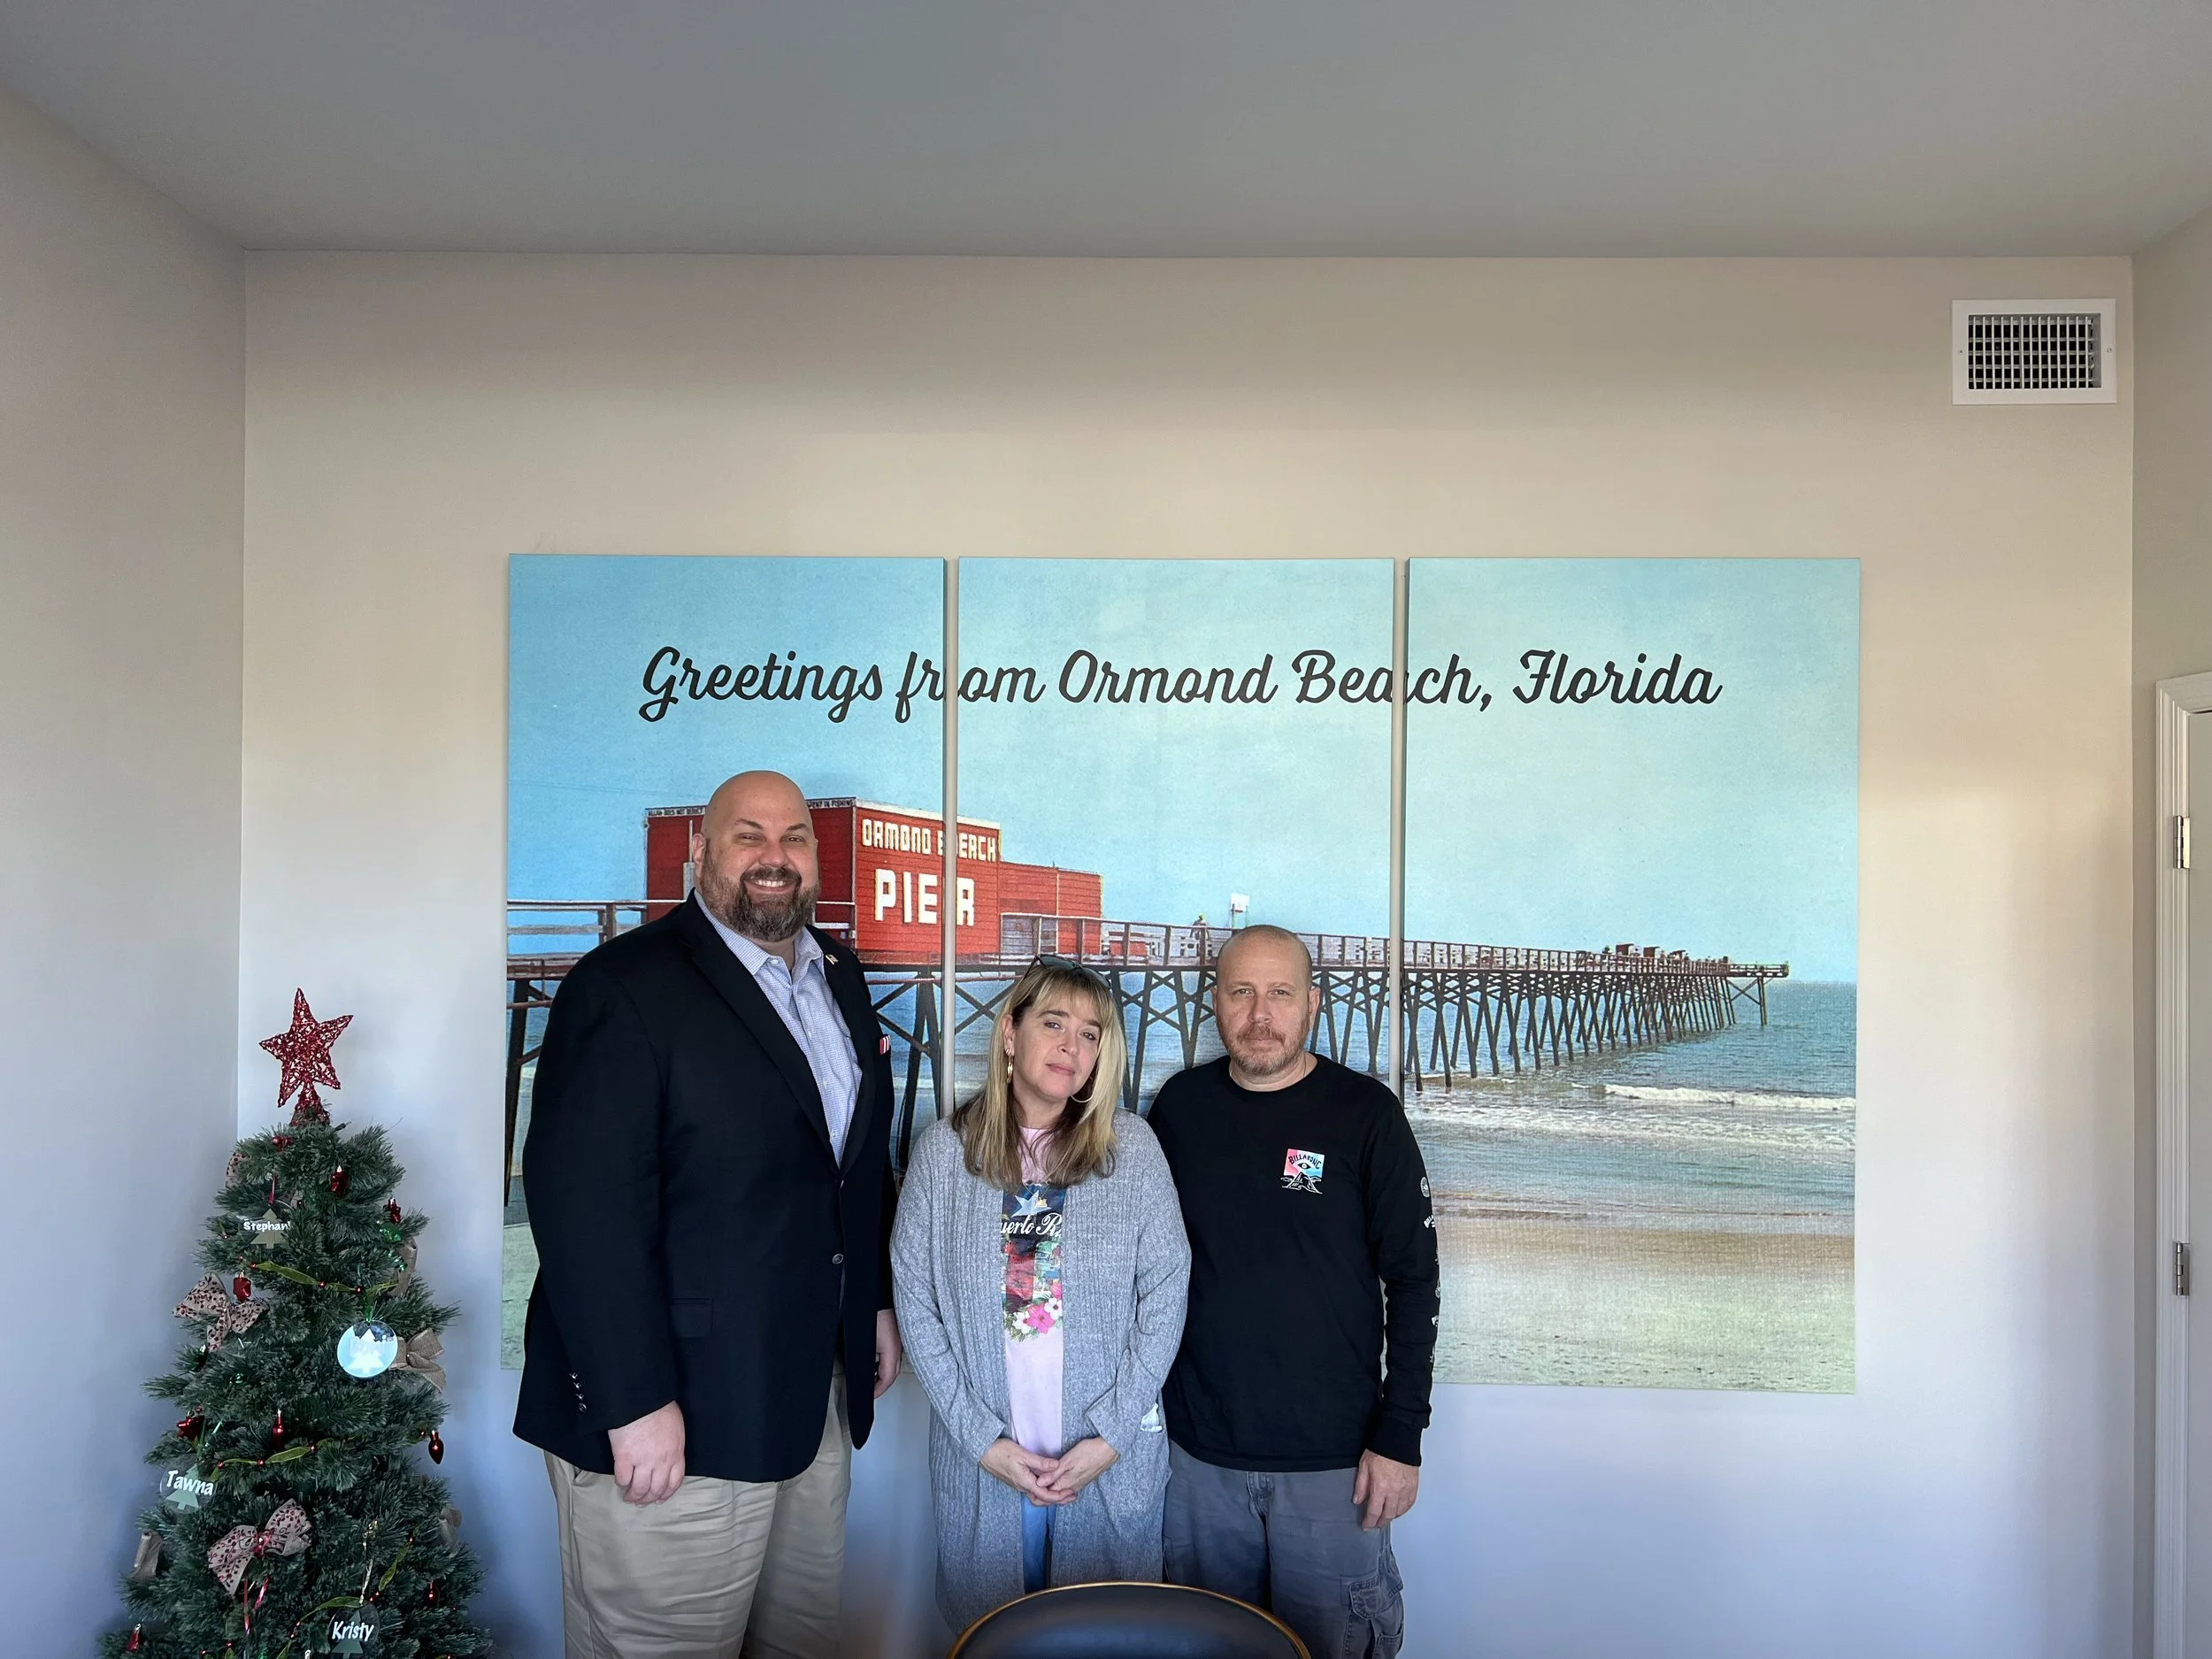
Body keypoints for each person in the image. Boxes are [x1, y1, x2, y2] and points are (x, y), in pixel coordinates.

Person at [515, 770, 902, 1659]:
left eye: (795, 837)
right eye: (747, 834)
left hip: (812, 1403)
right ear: (700, 851)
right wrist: (633, 1399)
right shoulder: (623, 986)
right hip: (671, 1420)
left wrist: (869, 1300)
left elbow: (847, 1168)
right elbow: (584, 1213)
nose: (775, 857)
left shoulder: (837, 974)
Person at [1148, 925, 1440, 1659]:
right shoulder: (1179, 1111)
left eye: (1280, 992)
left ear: (1312, 1001)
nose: (1260, 1014)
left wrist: (1400, 1435)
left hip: (1335, 1462)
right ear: (1214, 1000)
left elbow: (1413, 1278)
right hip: (1198, 1458)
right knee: (1205, 1645)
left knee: (1333, 1645)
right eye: (1242, 991)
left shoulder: (1366, 1115)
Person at [891, 958, 1190, 1635]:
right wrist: (982, 1440)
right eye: (1053, 1023)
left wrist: (1113, 1433)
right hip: (990, 1463)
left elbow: (1167, 1290)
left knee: (1106, 1636)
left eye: (1090, 1034)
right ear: (1008, 1032)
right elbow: (916, 1304)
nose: (1071, 1047)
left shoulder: (1131, 1150)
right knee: (996, 1634)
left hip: (1102, 1458)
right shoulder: (944, 1155)